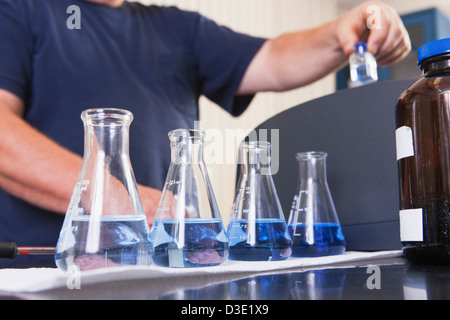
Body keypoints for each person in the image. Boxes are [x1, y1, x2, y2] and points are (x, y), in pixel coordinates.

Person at [0, 0, 410, 267]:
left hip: (162, 273)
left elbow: (274, 58)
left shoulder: (176, 27)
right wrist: (126, 201)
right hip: (42, 276)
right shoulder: (20, 11)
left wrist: (345, 29)